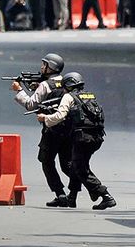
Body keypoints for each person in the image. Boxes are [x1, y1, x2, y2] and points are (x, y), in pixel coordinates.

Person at [37, 72, 116, 210]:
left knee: (81, 169)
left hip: (82, 138)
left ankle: (105, 195)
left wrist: (45, 118)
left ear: (68, 85)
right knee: (75, 166)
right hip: (96, 137)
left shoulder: (69, 96)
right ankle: (72, 198)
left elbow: (59, 116)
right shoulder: (90, 95)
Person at [11, 53, 73, 207]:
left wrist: (19, 90)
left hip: (51, 128)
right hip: (67, 128)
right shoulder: (66, 82)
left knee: (46, 160)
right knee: (67, 164)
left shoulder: (45, 85)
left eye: (44, 64)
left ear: (50, 67)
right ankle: (85, 189)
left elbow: (31, 104)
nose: (41, 67)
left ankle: (60, 193)